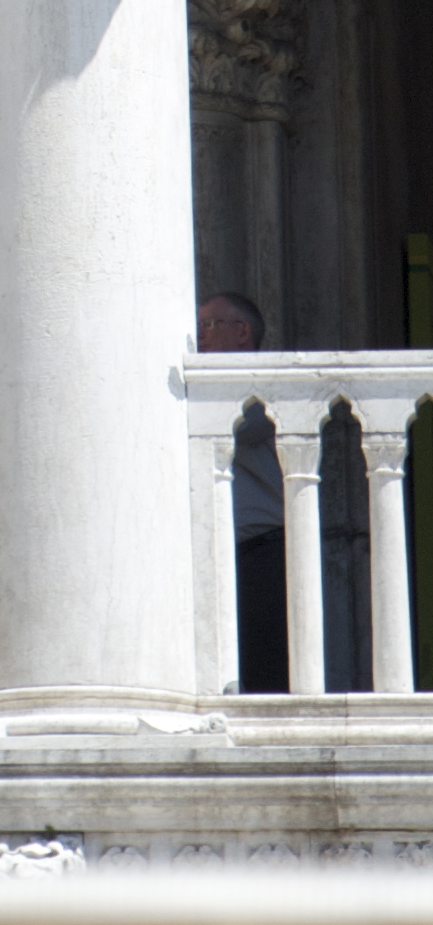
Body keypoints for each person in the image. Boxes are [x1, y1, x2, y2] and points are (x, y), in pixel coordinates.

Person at [198, 291, 288, 692]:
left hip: (263, 550)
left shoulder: (261, 386)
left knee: (263, 665)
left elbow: (234, 427)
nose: (200, 336)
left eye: (208, 325)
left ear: (241, 332)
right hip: (222, 551)